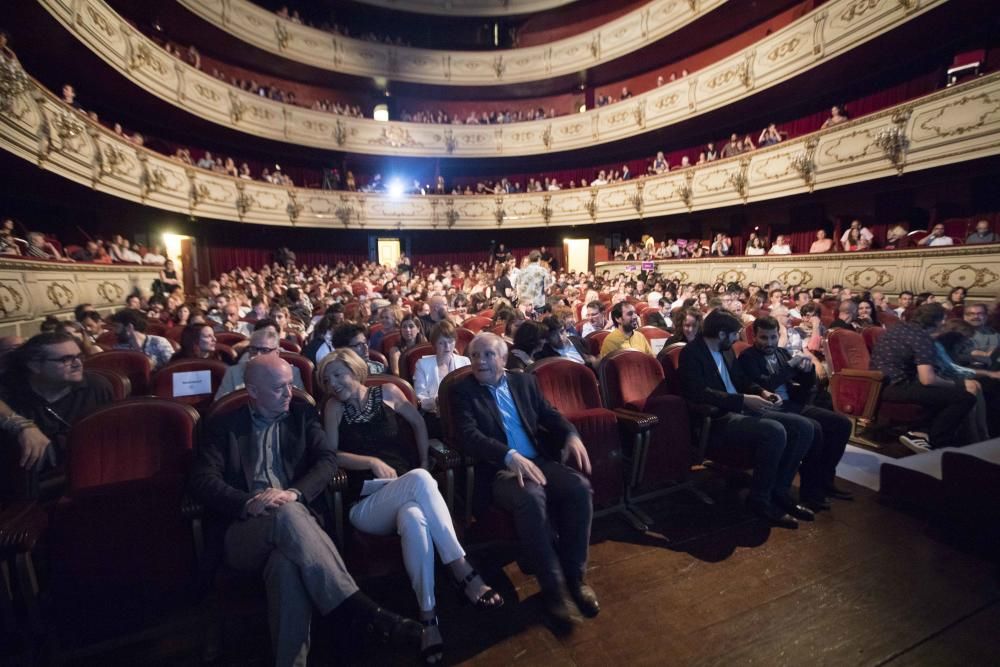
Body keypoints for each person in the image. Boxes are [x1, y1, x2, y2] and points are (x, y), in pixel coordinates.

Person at [190, 354, 422, 667]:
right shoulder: (224, 425)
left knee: (285, 564)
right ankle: (360, 611)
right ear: (253, 391)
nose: (289, 393)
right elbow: (203, 480)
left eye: (290, 384)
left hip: (296, 527)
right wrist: (247, 501)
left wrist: (294, 493)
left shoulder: (301, 413)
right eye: (278, 388)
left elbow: (327, 460)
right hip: (245, 530)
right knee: (287, 514)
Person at [320, 349, 502, 662]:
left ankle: (428, 617)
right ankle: (462, 570)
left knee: (415, 517)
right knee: (418, 481)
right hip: (365, 503)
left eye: (339, 374)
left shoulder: (389, 392)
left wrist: (421, 461)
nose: (333, 383)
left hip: (406, 490)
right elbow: (331, 454)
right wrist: (371, 461)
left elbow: (419, 424)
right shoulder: (334, 408)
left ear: (355, 370)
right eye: (327, 378)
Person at [452, 333, 597, 633]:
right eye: (475, 355)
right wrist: (508, 455)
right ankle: (553, 587)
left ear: (504, 360)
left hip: (538, 460)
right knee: (531, 497)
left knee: (579, 488)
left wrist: (571, 435)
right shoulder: (463, 390)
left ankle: (576, 577)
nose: (480, 361)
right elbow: (468, 436)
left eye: (488, 355)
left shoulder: (523, 382)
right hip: (497, 471)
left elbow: (550, 414)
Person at [678, 309, 815, 528]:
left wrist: (761, 392)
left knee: (804, 427)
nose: (737, 339)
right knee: (775, 431)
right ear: (722, 334)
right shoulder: (691, 353)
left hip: (743, 409)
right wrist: (742, 401)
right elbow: (699, 393)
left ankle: (779, 491)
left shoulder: (726, 350)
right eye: (734, 334)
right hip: (718, 419)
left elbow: (741, 380)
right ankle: (759, 499)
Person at [738, 317, 853, 510]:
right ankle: (810, 490)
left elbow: (806, 386)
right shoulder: (748, 357)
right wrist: (791, 366)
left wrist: (807, 371)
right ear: (754, 337)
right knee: (814, 429)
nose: (769, 343)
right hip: (768, 406)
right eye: (763, 338)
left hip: (792, 403)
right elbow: (765, 385)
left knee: (841, 424)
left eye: (773, 337)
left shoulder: (782, 353)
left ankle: (825, 481)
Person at [0, 332, 113, 499]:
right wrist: (21, 425)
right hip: (22, 485)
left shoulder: (96, 386)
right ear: (34, 366)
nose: (77, 364)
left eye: (78, 356)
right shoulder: (12, 387)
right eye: (65, 359)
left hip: (86, 477)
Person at [870, 303, 977, 452]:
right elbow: (927, 379)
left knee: (943, 392)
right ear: (937, 321)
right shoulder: (922, 337)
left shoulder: (896, 329)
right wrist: (954, 384)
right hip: (895, 387)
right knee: (965, 397)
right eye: (944, 319)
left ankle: (920, 433)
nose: (944, 323)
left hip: (877, 384)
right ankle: (938, 442)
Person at [413, 321, 470, 437]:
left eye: (450, 341)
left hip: (463, 414)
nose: (447, 347)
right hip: (435, 416)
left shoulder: (465, 361)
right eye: (442, 343)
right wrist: (438, 401)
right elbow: (420, 398)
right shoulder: (422, 364)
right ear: (434, 344)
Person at [215, 328, 304, 399]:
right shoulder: (233, 373)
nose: (257, 355)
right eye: (253, 349)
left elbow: (299, 405)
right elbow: (220, 407)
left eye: (265, 350)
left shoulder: (292, 373)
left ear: (277, 353)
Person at [963, 302, 999, 368]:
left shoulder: (995, 335)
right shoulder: (956, 333)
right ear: (965, 316)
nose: (976, 316)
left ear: (986, 316)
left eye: (980, 314)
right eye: (971, 314)